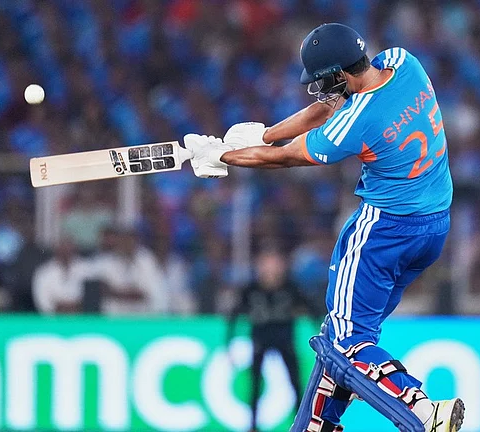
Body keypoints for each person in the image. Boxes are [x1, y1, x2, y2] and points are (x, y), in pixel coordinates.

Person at [184, 23, 462, 432]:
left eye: (321, 81)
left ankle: (423, 410)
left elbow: (283, 159)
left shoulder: (357, 123)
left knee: (346, 345)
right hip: (434, 227)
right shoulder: (405, 64)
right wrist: (264, 133)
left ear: (338, 74)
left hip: (382, 233)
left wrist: (223, 156)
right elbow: (330, 107)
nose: (317, 90)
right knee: (339, 336)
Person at [226, 245, 321, 432]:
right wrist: (228, 343)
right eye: (265, 264)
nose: (269, 269)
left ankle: (303, 423)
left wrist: (321, 332)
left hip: (285, 341)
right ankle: (252, 426)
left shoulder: (290, 287)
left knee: (296, 383)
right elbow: (234, 315)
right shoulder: (251, 289)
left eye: (273, 264)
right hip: (260, 340)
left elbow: (312, 309)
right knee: (255, 385)